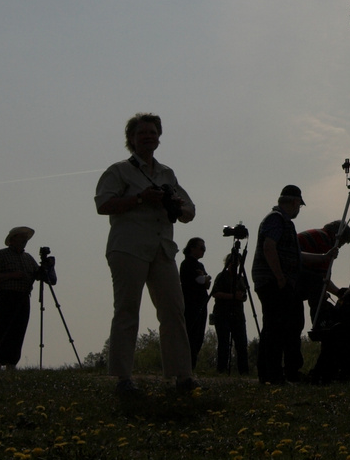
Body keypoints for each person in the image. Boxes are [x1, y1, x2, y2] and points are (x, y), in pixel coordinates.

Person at [94, 112, 197, 396]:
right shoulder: (118, 171)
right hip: (128, 248)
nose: (148, 137)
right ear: (131, 140)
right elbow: (103, 204)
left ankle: (182, 375)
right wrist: (140, 198)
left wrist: (175, 204)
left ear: (159, 137)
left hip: (162, 249)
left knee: (174, 311)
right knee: (127, 311)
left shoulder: (166, 174)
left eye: (152, 132)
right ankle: (122, 378)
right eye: (142, 134)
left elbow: (190, 210)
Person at [253, 185, 337, 384]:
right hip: (272, 281)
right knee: (274, 329)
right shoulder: (276, 219)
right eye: (299, 205)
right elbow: (268, 247)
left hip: (276, 280)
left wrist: (323, 257)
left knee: (276, 327)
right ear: (295, 202)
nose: (299, 210)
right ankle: (271, 374)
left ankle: (271, 373)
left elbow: (296, 256)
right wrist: (280, 277)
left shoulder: (284, 222)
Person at [0, 225, 39, 369]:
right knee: (2, 329)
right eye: (22, 237)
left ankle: (11, 364)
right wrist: (11, 275)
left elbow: (39, 274)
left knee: (19, 331)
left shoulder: (28, 258)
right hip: (5, 296)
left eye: (26, 238)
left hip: (23, 297)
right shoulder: (0, 255)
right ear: (13, 239)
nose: (25, 240)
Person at [298, 220, 350, 321]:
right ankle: (320, 323)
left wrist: (335, 292)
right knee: (319, 301)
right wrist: (340, 293)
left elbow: (322, 278)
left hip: (288, 271)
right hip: (291, 272)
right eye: (342, 242)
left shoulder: (318, 235)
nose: (339, 246)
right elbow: (323, 278)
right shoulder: (325, 241)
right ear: (337, 236)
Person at [209, 248, 249, 375]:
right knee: (224, 343)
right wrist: (232, 296)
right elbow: (215, 293)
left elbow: (245, 296)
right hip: (222, 314)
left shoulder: (240, 278)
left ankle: (244, 371)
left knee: (241, 344)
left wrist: (241, 296)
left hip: (238, 314)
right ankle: (221, 369)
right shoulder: (222, 276)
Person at [180, 237, 212, 367]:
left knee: (199, 335)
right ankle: (186, 364)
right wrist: (204, 278)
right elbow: (199, 281)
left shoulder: (200, 265)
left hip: (201, 303)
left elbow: (206, 283)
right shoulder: (187, 263)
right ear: (192, 248)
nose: (203, 251)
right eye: (201, 248)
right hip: (191, 303)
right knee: (191, 333)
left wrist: (204, 278)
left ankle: (192, 364)